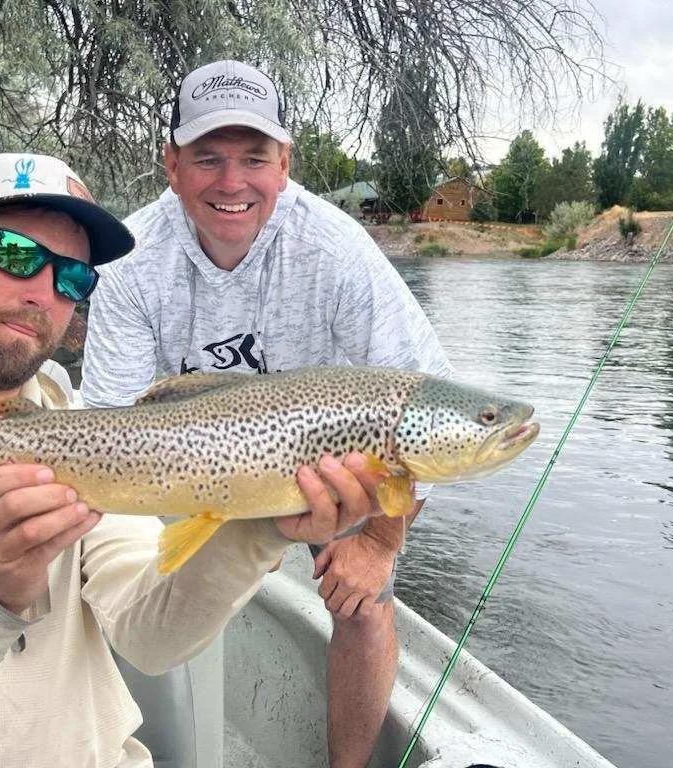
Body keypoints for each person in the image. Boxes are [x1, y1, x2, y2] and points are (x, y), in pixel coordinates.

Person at [0, 152, 388, 768]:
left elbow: (150, 638)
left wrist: (257, 524)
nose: (44, 292)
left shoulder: (92, 437)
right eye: (17, 254)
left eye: (73, 277)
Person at [81, 61, 453, 768]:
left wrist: (376, 545)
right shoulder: (129, 261)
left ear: (284, 165)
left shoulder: (335, 248)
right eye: (208, 158)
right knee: (108, 577)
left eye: (254, 158)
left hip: (330, 462)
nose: (232, 183)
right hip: (184, 461)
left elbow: (421, 405)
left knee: (365, 604)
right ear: (171, 163)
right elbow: (106, 423)